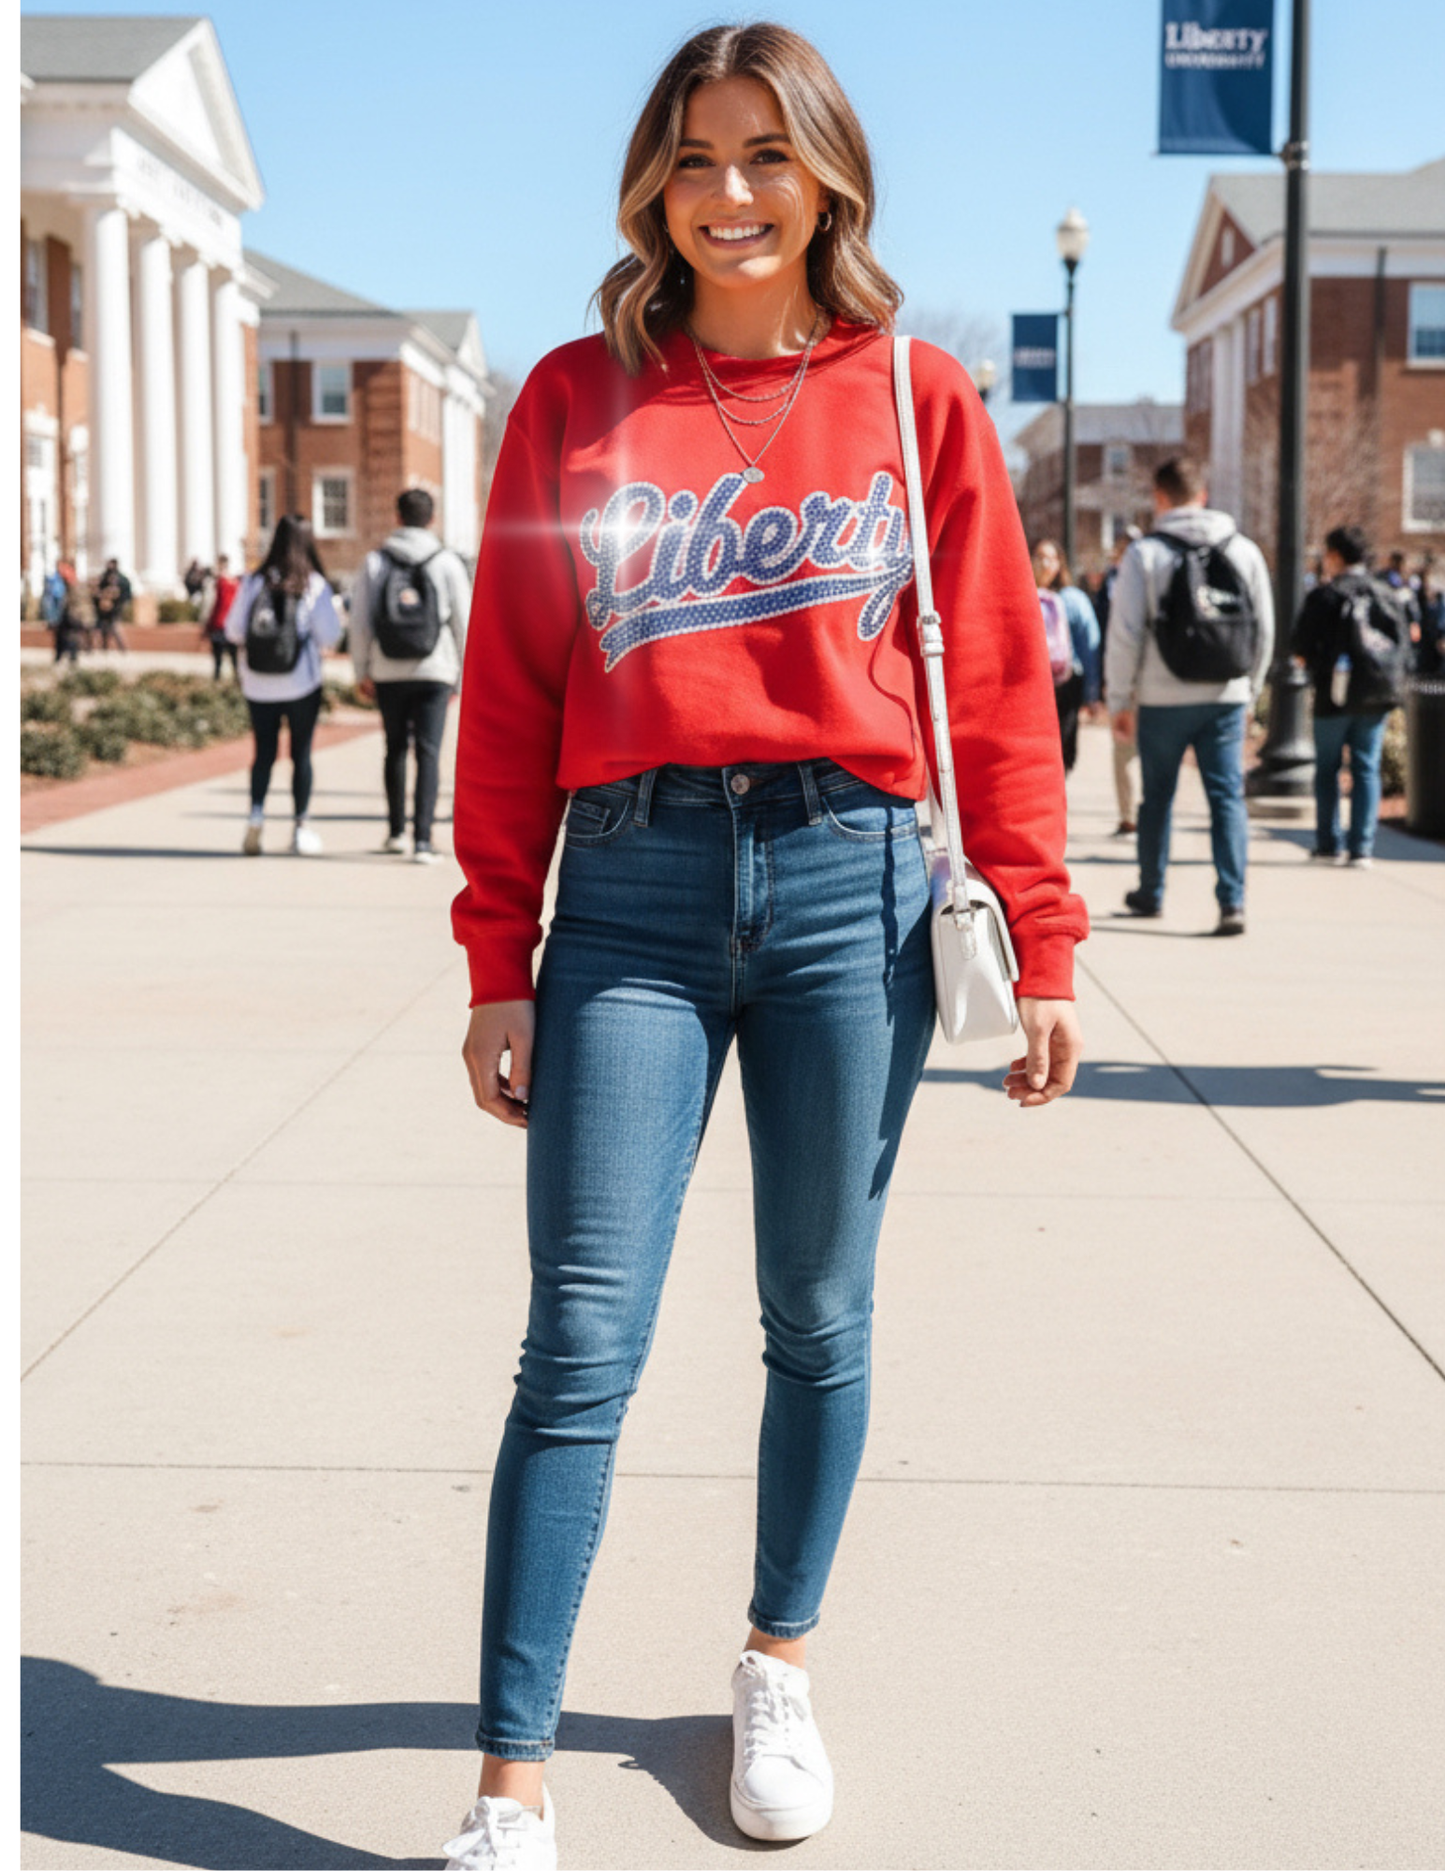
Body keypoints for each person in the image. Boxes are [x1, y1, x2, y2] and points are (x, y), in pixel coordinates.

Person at [443, 23, 1088, 1871]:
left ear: (830, 180)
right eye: (696, 158)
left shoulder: (915, 396)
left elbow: (1000, 688)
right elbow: (510, 691)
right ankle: (511, 1776)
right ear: (651, 180)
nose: (730, 196)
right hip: (629, 896)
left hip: (850, 887)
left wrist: (1042, 938)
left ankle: (774, 1659)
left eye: (766, 159)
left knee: (817, 1315)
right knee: (582, 1336)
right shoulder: (576, 397)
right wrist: (501, 950)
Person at [1105, 455, 1274, 935]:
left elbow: (1126, 634)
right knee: (1226, 797)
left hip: (1162, 698)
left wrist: (1120, 700)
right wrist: (1249, 690)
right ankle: (1232, 901)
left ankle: (1151, 891)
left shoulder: (1147, 554)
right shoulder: (1243, 550)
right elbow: (1264, 629)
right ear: (1203, 495)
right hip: (1225, 696)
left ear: (1160, 498)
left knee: (1157, 796)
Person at [347, 487, 471, 863]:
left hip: (388, 669)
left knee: (395, 749)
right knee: (429, 753)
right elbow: (465, 622)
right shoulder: (447, 561)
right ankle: (422, 840)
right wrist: (464, 676)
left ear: (397, 517)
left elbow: (360, 622)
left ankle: (396, 832)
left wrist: (362, 670)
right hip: (436, 669)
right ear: (431, 519)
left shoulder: (375, 562)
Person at [1290, 524, 1410, 867]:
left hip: (1332, 696)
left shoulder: (1325, 596)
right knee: (1366, 767)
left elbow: (1299, 647)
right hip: (1375, 695)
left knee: (1327, 769)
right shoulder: (1386, 593)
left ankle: (1329, 844)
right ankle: (1362, 847)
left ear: (1335, 556)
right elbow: (1404, 647)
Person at [224, 516, 341, 856]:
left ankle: (256, 817)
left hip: (258, 684)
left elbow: (233, 631)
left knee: (263, 753)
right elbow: (330, 635)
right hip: (302, 683)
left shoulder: (253, 582)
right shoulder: (313, 584)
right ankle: (301, 827)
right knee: (300, 754)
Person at [1031, 537, 1100, 774]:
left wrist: (1092, 694)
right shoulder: (1019, 595)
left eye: (1050, 558)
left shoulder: (1073, 600)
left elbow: (1089, 646)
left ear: (1060, 563)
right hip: (1031, 685)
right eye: (1039, 557)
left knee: (1063, 748)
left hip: (1068, 684)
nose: (1044, 564)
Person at [1094, 528, 1141, 833]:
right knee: (1123, 748)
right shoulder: (1108, 585)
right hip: (1120, 673)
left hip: (1149, 678)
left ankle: (1145, 813)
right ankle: (1129, 816)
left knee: (1144, 751)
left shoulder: (1152, 575)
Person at [200, 555, 240, 680]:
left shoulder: (218, 582)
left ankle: (218, 680)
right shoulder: (235, 582)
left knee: (218, 657)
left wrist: (206, 623)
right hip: (231, 623)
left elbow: (212, 604)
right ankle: (236, 680)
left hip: (219, 623)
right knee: (233, 655)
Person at [52, 562, 92, 665]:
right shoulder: (72, 583)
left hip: (74, 615)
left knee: (71, 636)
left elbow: (77, 602)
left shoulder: (73, 583)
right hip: (70, 614)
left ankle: (71, 658)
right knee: (62, 636)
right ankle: (61, 657)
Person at [93, 558, 131, 652]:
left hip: (115, 608)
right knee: (102, 628)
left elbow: (125, 595)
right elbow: (97, 590)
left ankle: (122, 648)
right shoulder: (103, 577)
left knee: (114, 628)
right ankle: (104, 647)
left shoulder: (122, 579)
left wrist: (117, 603)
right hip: (103, 608)